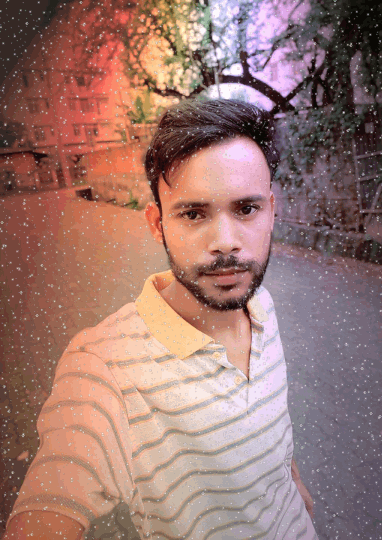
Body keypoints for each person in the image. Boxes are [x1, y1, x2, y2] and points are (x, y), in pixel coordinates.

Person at [4, 98, 317, 540]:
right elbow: (46, 511)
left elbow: (268, 425)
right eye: (193, 214)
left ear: (271, 210)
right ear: (157, 224)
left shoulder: (260, 304)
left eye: (246, 209)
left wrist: (291, 482)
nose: (226, 243)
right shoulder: (104, 369)